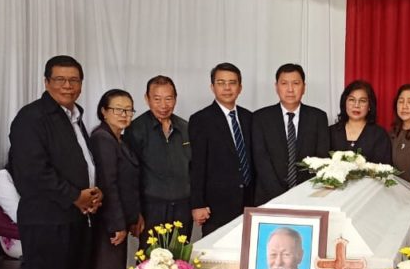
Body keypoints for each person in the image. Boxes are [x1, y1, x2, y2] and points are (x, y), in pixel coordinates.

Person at [9, 55, 100, 269]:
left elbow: (82, 163)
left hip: (76, 217)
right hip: (46, 220)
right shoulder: (31, 118)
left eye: (73, 80)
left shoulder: (74, 116)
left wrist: (92, 193)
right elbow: (33, 172)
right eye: (60, 79)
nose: (67, 86)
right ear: (46, 82)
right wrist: (75, 195)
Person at [89, 89, 142, 269]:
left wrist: (134, 215)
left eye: (129, 110)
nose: (124, 114)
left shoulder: (119, 138)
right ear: (103, 111)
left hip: (119, 221)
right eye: (118, 109)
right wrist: (117, 224)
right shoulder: (102, 138)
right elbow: (107, 184)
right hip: (108, 226)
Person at [251, 63, 331, 205]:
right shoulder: (260, 118)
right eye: (284, 83)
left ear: (304, 87)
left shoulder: (318, 117)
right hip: (269, 198)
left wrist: (302, 193)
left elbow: (321, 158)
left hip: (308, 196)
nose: (290, 89)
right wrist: (281, 197)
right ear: (276, 87)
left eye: (296, 83)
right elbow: (261, 160)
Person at [188, 63, 254, 235]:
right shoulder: (201, 120)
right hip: (216, 207)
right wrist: (197, 204)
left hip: (249, 203)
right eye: (221, 83)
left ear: (240, 88)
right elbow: (197, 165)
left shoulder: (250, 118)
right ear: (212, 87)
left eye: (232, 83)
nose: (227, 88)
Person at [124, 75, 192, 233]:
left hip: (183, 208)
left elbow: (194, 168)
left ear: (175, 99)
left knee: (181, 249)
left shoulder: (185, 128)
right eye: (157, 99)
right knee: (152, 249)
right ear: (147, 99)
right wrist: (135, 213)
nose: (163, 105)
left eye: (168, 99)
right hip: (151, 209)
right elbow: (130, 175)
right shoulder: (135, 129)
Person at [328, 80, 392, 164]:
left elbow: (384, 168)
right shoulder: (330, 132)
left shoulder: (379, 135)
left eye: (362, 101)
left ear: (369, 106)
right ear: (344, 103)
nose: (356, 105)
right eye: (352, 100)